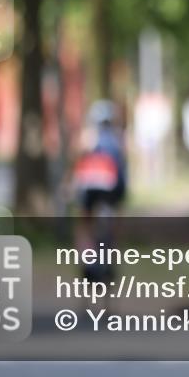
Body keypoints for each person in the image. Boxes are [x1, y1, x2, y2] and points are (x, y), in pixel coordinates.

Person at [71, 99, 128, 283]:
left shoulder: (88, 137)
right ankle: (110, 257)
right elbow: (122, 173)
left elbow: (78, 167)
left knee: (84, 222)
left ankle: (86, 258)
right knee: (115, 218)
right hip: (112, 186)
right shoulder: (118, 140)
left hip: (89, 187)